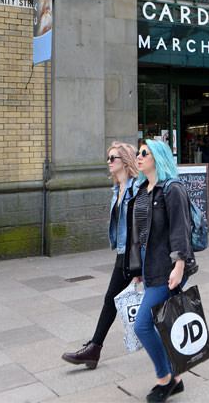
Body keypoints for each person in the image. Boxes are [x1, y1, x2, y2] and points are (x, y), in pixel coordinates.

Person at [61, 142, 139, 369]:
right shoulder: (118, 189)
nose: (108, 162)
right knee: (113, 300)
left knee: (123, 301)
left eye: (112, 158)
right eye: (108, 157)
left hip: (134, 256)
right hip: (124, 253)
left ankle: (94, 348)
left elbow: (143, 227)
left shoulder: (137, 188)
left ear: (125, 161)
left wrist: (140, 266)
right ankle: (94, 349)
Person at [130, 139, 193, 402]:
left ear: (158, 157)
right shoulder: (144, 189)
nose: (139, 156)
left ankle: (164, 378)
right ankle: (175, 378)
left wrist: (179, 265)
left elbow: (181, 229)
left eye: (144, 153)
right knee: (158, 322)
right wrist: (137, 267)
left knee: (143, 325)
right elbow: (141, 233)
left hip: (167, 267)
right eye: (138, 153)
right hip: (150, 265)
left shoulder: (172, 189)